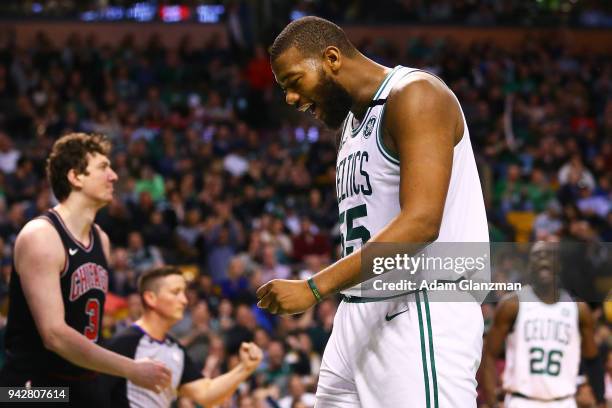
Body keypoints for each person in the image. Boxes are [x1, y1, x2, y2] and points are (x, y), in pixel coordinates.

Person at [258, 16, 489, 407]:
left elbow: (421, 223)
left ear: (331, 58)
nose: (291, 99)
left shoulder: (416, 96)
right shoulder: (349, 125)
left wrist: (315, 288)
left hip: (420, 307)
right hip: (357, 313)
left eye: (294, 82)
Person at [0, 133, 171, 406]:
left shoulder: (101, 239)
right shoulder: (41, 236)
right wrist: (130, 368)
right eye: (103, 167)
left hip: (82, 381)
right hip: (30, 388)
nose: (114, 176)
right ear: (75, 177)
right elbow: (54, 334)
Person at [103, 266, 263, 407]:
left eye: (184, 293)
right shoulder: (125, 342)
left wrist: (244, 368)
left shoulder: (175, 349)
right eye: (175, 292)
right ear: (150, 298)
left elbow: (206, 394)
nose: (184, 300)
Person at [482, 242, 605, 408]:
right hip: (522, 401)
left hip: (564, 402)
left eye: (549, 255)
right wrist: (492, 403)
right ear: (529, 266)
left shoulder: (578, 310)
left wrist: (599, 400)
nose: (543, 259)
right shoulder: (511, 305)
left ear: (559, 265)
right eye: (537, 255)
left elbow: (592, 359)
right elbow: (489, 355)